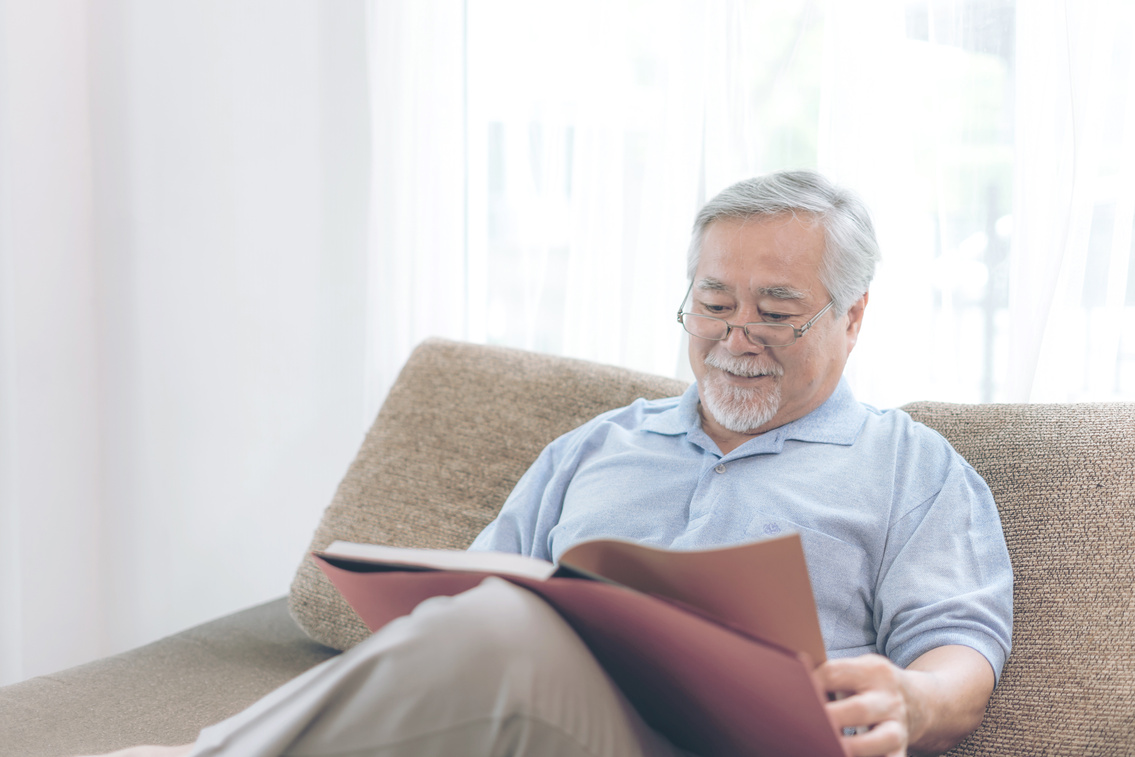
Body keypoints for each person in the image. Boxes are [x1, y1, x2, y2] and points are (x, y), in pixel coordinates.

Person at [88, 170, 1012, 757]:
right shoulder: (600, 444)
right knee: (493, 621)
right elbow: (474, 600)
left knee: (500, 631)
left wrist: (914, 699)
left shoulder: (909, 466)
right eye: (712, 301)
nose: (737, 335)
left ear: (852, 317)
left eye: (776, 311)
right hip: (549, 724)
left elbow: (960, 652)